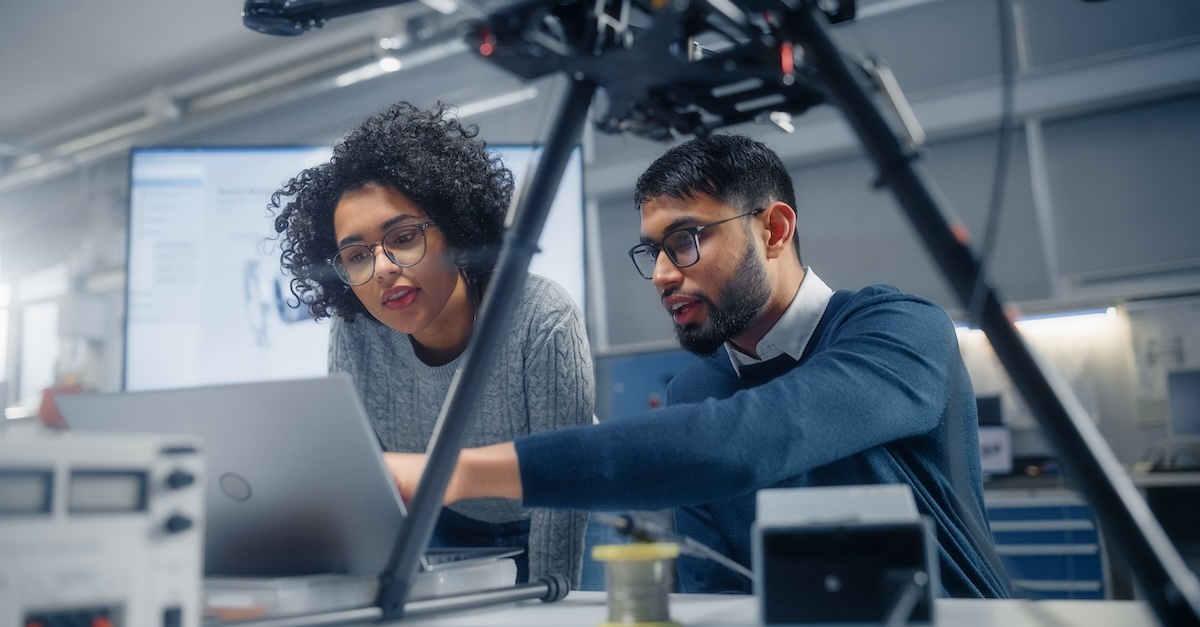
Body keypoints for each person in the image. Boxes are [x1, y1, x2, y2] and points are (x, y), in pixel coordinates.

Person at [385, 132, 1013, 598]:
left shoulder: (899, 330)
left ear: (773, 229)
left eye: (684, 241)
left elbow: (751, 438)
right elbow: (713, 586)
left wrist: (459, 472)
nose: (661, 274)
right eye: (652, 251)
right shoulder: (697, 388)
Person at [268, 102, 594, 587]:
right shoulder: (356, 336)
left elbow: (561, 486)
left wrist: (548, 599)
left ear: (457, 231)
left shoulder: (540, 317)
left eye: (402, 238)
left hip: (549, 518)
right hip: (442, 526)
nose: (381, 268)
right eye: (356, 256)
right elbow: (368, 486)